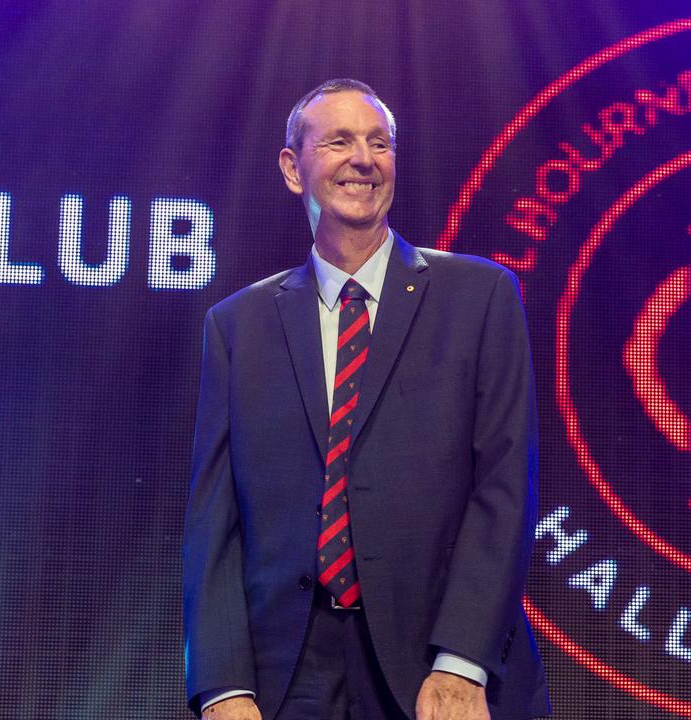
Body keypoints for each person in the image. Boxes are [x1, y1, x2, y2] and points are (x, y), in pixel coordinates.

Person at [182, 78, 550, 720]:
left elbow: (505, 489)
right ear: (293, 169)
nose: (363, 159)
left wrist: (461, 662)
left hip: (438, 671)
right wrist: (222, 684)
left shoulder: (481, 298)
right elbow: (215, 523)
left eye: (379, 143)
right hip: (284, 679)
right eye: (340, 141)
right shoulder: (238, 327)